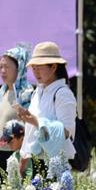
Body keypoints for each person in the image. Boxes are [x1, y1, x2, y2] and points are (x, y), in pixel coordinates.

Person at [15, 42, 76, 177]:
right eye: (33, 68)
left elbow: (67, 132)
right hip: (34, 161)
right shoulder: (38, 91)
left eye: (39, 67)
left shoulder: (63, 93)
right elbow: (31, 133)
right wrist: (23, 160)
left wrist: (38, 122)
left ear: (54, 67)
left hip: (54, 163)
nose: (35, 72)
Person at [0, 44, 33, 171]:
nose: (3, 71)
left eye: (7, 67)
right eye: (1, 67)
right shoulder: (3, 91)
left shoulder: (26, 93)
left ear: (19, 68)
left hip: (14, 155)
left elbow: (30, 126)